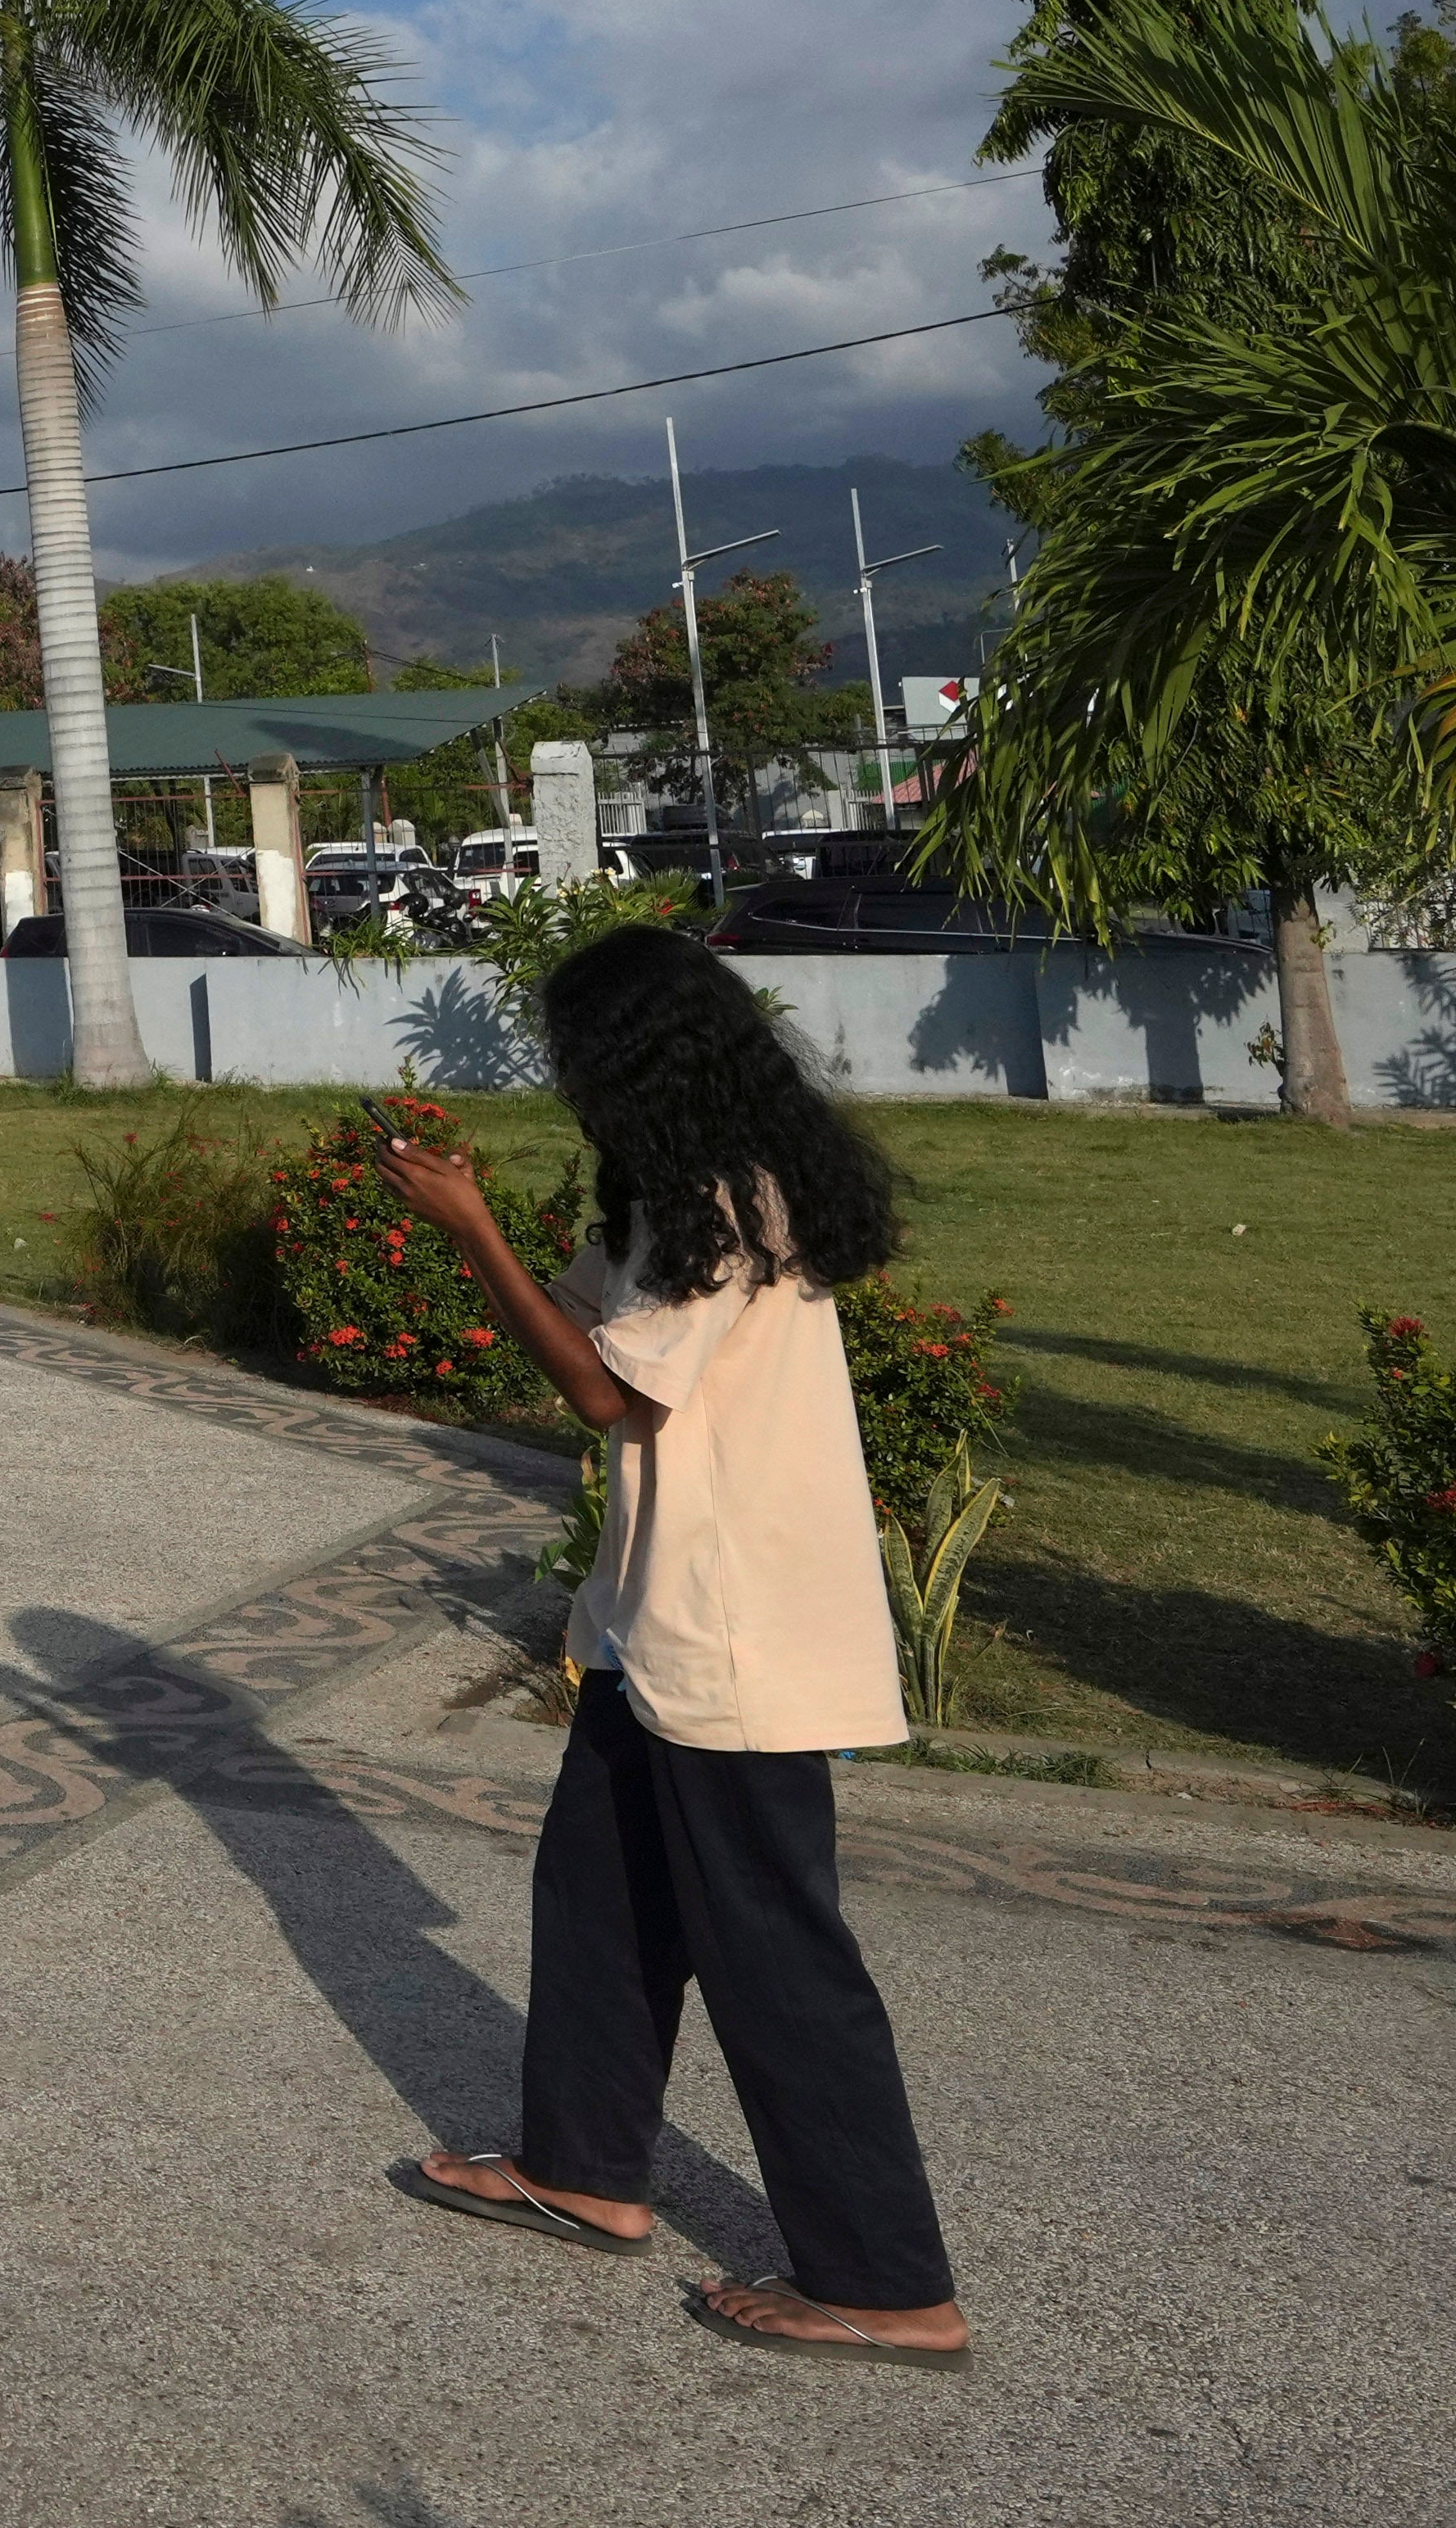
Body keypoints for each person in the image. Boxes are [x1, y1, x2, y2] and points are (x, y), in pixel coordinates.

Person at [379, 922, 973, 2367]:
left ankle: (890, 2280)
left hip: (738, 1636)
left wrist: (471, 1231)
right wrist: (485, 1232)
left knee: (777, 1953)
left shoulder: (729, 1199)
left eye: (579, 1051)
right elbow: (587, 1319)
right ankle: (584, 2168)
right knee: (604, 1895)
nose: (565, 1077)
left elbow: (602, 1396)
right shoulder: (675, 1195)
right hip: (661, 1622)